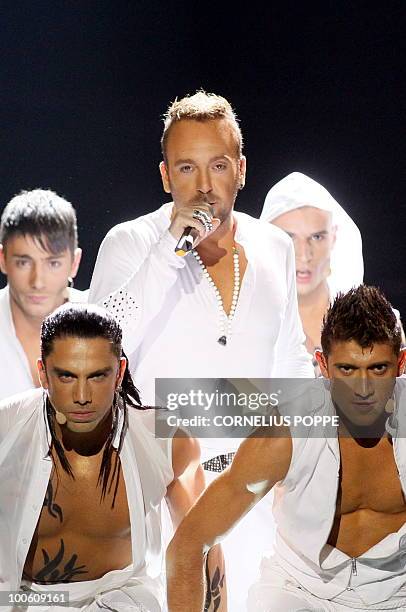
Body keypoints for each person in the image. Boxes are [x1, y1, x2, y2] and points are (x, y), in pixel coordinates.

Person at [89, 91, 313, 609]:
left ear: (241, 170)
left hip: (255, 495)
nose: (204, 186)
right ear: (166, 176)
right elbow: (98, 346)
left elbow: (290, 364)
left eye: (218, 165)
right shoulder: (131, 243)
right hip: (160, 496)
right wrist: (168, 252)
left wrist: (294, 472)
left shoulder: (274, 247)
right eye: (187, 167)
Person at [166, 285, 406, 611]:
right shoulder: (286, 432)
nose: (363, 389)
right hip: (298, 591)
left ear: (400, 363)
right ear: (323, 365)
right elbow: (189, 543)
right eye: (347, 370)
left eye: (378, 369)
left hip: (395, 595)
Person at [0, 303, 224, 612]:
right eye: (66, 376)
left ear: (119, 372)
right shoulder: (5, 431)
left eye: (97, 376)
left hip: (123, 599)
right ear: (43, 373)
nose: (82, 395)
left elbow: (201, 545)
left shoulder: (168, 441)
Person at [260, 171, 363, 363]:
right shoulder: (246, 326)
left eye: (316, 237)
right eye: (289, 237)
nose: (304, 255)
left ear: (333, 237)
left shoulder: (375, 323)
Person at [0, 189, 85, 400]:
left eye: (53, 263)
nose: (37, 281)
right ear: (3, 259)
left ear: (74, 263)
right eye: (23, 262)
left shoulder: (109, 324)